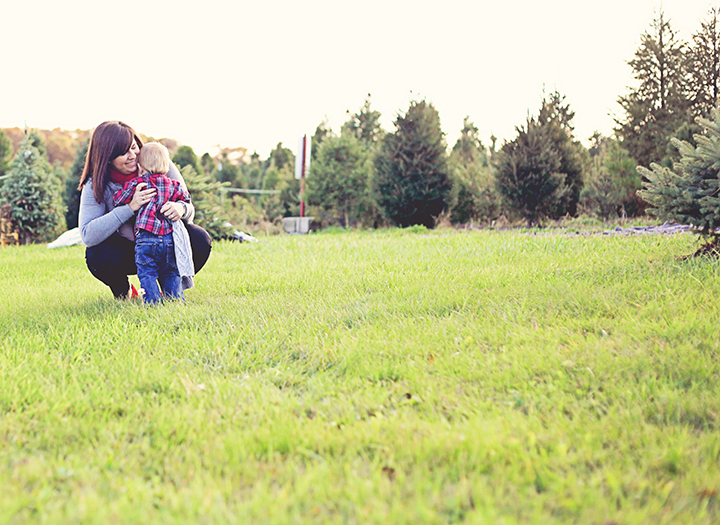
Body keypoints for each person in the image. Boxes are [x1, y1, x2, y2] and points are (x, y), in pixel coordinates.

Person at [78, 121, 212, 299]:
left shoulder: (160, 163)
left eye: (134, 147)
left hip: (166, 244)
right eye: (123, 152)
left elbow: (188, 207)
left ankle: (168, 289)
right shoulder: (96, 184)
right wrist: (130, 207)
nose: (133, 155)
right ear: (107, 157)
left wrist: (181, 208)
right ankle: (125, 293)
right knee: (97, 255)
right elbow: (88, 234)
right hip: (131, 250)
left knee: (200, 239)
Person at [113, 142, 192, 304]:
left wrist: (131, 199)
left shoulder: (138, 183)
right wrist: (180, 206)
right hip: (170, 240)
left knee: (147, 272)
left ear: (141, 165)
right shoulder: (174, 185)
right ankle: (175, 302)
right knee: (171, 271)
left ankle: (153, 303)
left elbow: (118, 199)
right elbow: (187, 201)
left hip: (146, 238)